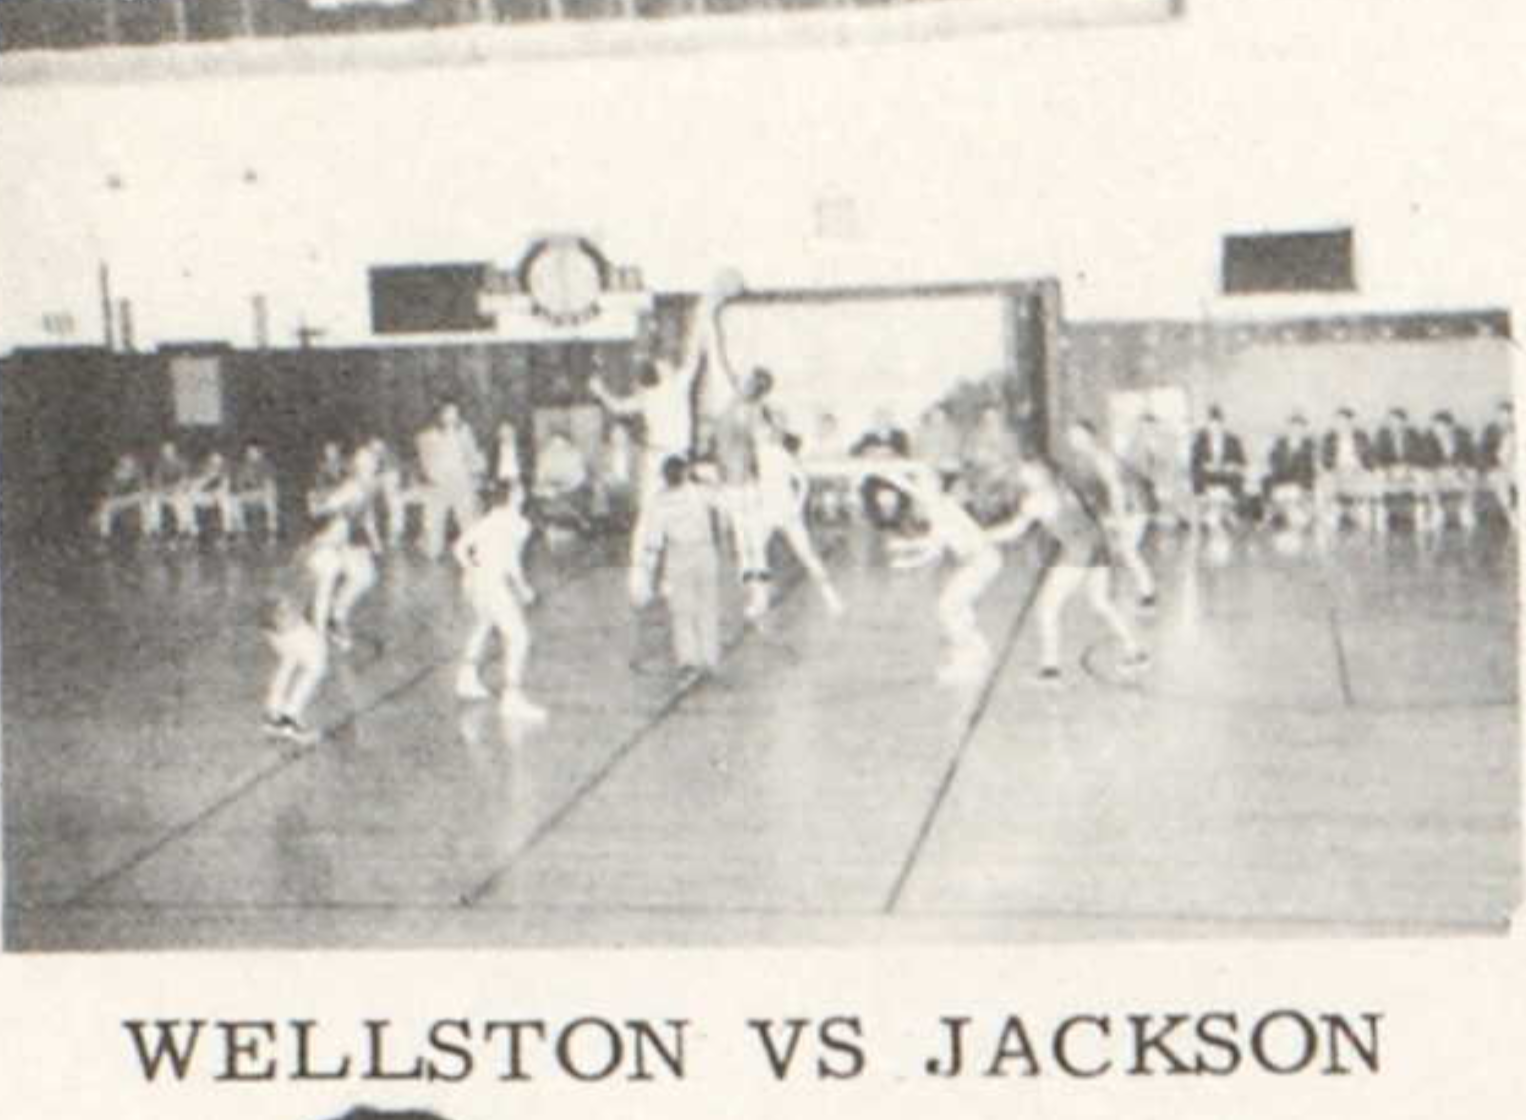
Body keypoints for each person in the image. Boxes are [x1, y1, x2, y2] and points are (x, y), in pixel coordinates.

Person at [989, 456, 1149, 684]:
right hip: (1099, 544)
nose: (1020, 476)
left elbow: (1015, 530)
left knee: (1047, 608)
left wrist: (985, 535)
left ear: (1036, 474)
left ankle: (1050, 670)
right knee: (1101, 602)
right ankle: (1135, 651)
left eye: (1024, 472)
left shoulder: (1035, 500)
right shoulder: (1064, 487)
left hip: (1078, 549)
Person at [881, 464, 1004, 685]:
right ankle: (977, 648)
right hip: (983, 560)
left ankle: (967, 663)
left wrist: (907, 559)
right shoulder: (939, 504)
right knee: (957, 606)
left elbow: (933, 550)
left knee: (947, 607)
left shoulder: (941, 508)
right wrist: (894, 477)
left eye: (924, 483)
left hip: (981, 561)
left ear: (936, 486)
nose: (920, 488)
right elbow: (933, 538)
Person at [453, 480, 545, 722]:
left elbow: (459, 548)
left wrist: (472, 569)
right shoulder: (519, 524)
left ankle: (466, 677)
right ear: (514, 497)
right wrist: (523, 588)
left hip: (474, 584)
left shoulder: (488, 519)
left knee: (483, 624)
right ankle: (511, 699)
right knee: (519, 638)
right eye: (519, 491)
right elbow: (511, 562)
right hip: (494, 585)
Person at [630, 455, 724, 676]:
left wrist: (647, 571)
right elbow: (721, 496)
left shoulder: (659, 501)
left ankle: (689, 660)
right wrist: (704, 476)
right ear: (684, 473)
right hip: (702, 552)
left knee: (682, 611)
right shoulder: (699, 492)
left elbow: (653, 541)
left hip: (679, 556)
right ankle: (708, 657)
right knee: (705, 606)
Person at [259, 517, 339, 744]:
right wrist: (320, 635)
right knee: (317, 664)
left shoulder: (305, 547)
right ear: (325, 533)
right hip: (286, 615)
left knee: (290, 658)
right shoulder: (329, 557)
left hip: (267, 610)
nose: (343, 534)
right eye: (338, 530)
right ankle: (289, 720)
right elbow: (322, 599)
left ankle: (272, 715)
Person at [1065, 419, 1157, 608]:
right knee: (1116, 549)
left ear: (1090, 437)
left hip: (1134, 506)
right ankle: (1115, 590)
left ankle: (1148, 594)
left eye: (1078, 436)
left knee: (1127, 550)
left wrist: (1119, 520)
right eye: (1071, 436)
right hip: (1121, 506)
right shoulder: (1084, 459)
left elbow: (1117, 490)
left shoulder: (1101, 458)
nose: (1073, 440)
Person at [754, 426, 846, 618]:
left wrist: (797, 505)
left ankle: (831, 597)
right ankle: (759, 600)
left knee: (807, 554)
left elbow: (803, 482)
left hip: (785, 510)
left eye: (765, 433)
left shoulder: (782, 455)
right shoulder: (756, 455)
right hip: (766, 512)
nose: (763, 436)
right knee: (756, 555)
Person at [308, 446, 382, 651]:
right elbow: (321, 510)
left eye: (372, 460)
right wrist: (318, 505)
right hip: (331, 538)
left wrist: (375, 540)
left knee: (365, 578)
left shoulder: (372, 484)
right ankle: (319, 633)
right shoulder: (352, 487)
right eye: (363, 461)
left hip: (349, 539)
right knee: (327, 582)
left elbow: (367, 514)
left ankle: (335, 615)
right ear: (357, 465)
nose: (369, 464)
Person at [415, 401, 486, 560]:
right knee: (434, 520)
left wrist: (476, 471)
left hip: (461, 480)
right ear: (440, 415)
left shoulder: (465, 432)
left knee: (468, 518)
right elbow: (425, 461)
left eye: (455, 412)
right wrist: (431, 476)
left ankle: (473, 551)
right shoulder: (428, 435)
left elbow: (472, 455)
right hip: (439, 482)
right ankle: (432, 549)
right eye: (448, 412)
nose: (453, 416)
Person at [851, 408, 914, 530]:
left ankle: (898, 522)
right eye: (879, 419)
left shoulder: (900, 435)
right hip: (876, 476)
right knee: (866, 490)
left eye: (885, 418)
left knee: (905, 491)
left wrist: (892, 453)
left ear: (891, 420)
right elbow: (854, 451)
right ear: (874, 421)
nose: (882, 422)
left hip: (897, 474)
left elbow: (906, 453)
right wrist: (867, 451)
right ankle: (877, 523)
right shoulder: (868, 436)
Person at [1189, 406, 1246, 532]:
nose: (1215, 428)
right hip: (1207, 476)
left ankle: (1230, 514)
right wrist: (1205, 465)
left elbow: (1242, 461)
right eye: (1212, 425)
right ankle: (1205, 512)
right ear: (1208, 425)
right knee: (1198, 476)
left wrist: (1233, 466)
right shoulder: (1200, 439)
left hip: (1227, 476)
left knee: (1236, 478)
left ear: (1222, 424)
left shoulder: (1233, 440)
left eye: (1218, 425)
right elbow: (1194, 462)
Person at [1317, 408, 1376, 531]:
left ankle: (1365, 523)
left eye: (1344, 421)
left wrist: (1360, 467)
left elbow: (1369, 457)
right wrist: (1334, 469)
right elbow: (1325, 459)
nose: (1341, 425)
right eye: (1338, 422)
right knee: (1324, 484)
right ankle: (1329, 524)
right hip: (1336, 472)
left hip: (1357, 471)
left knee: (1368, 483)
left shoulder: (1361, 436)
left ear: (1351, 422)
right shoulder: (1329, 437)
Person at [1263, 413, 1318, 531]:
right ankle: (1274, 517)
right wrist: (1277, 472)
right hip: (1282, 477)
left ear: (1304, 430)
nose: (1296, 431)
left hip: (1302, 477)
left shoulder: (1310, 444)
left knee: (1298, 490)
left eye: (1299, 428)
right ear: (1288, 428)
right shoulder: (1280, 442)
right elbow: (1272, 460)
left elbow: (1311, 465)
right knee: (1268, 481)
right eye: (1293, 428)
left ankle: (1298, 519)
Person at [93, 452, 149, 545]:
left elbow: (143, 488)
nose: (128, 464)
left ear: (133, 464)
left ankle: (146, 534)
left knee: (144, 503)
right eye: (125, 462)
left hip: (132, 499)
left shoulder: (137, 474)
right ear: (121, 463)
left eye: (130, 462)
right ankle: (104, 536)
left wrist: (140, 493)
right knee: (105, 507)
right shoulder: (115, 474)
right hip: (119, 500)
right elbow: (109, 491)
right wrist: (111, 493)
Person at [228, 441, 280, 542]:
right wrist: (244, 493)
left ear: (261, 452)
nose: (251, 454)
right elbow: (239, 485)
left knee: (270, 500)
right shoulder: (243, 466)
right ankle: (242, 531)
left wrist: (258, 493)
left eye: (254, 451)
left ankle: (272, 532)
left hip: (263, 495)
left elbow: (270, 485)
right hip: (248, 496)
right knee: (233, 500)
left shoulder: (267, 465)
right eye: (248, 452)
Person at [1480, 401, 1517, 527]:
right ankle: (1511, 514)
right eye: (1502, 416)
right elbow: (1484, 453)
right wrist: (1495, 466)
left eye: (1508, 416)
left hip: (1516, 467)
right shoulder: (1490, 431)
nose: (1505, 419)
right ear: (1497, 416)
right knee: (1501, 483)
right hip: (1496, 468)